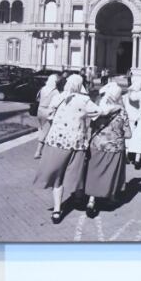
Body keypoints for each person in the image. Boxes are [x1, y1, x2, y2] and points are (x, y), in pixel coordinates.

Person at [33, 73, 98, 224]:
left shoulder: (58, 97)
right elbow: (97, 112)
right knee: (75, 173)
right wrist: (84, 115)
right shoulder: (84, 99)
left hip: (56, 141)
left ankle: (57, 210)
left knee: (57, 177)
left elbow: (49, 115)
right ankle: (78, 197)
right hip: (76, 142)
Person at [82, 81, 130, 217]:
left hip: (97, 145)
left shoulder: (97, 109)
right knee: (112, 173)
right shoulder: (122, 111)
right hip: (115, 146)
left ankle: (91, 200)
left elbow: (91, 127)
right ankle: (111, 197)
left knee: (94, 172)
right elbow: (128, 133)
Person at [32, 72, 59, 160]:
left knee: (41, 129)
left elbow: (37, 98)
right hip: (48, 112)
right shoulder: (55, 92)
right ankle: (38, 151)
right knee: (46, 131)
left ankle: (43, 149)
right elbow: (57, 102)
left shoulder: (43, 89)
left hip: (40, 110)